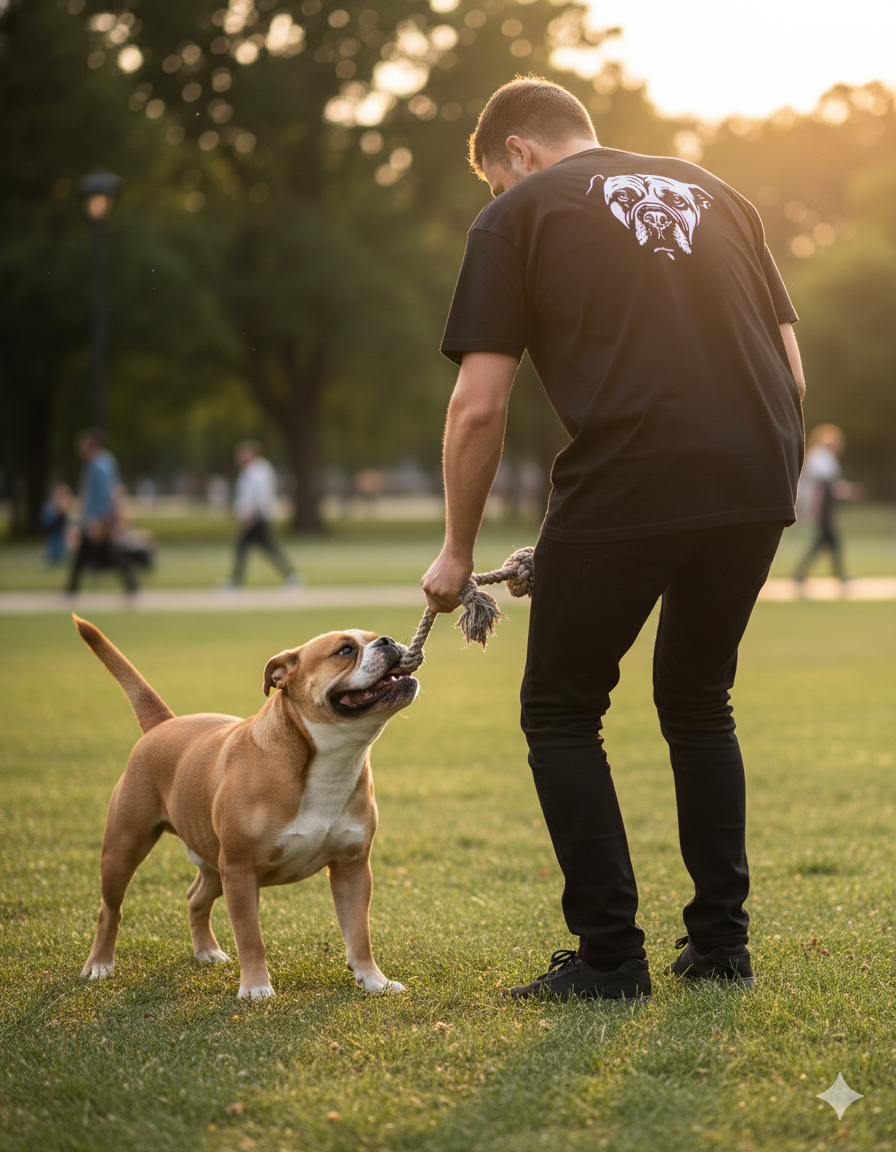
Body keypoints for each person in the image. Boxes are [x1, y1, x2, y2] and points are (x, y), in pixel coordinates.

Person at [421, 79, 805, 1001]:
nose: (494, 197)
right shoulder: (722, 193)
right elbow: (793, 371)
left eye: (491, 180)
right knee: (699, 699)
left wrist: (456, 554)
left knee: (560, 709)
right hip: (758, 474)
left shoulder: (516, 215)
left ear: (516, 153)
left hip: (631, 472)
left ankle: (609, 960)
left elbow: (478, 406)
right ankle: (720, 949)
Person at [66, 430, 138, 595]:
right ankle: (72, 585)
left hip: (98, 517)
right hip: (97, 516)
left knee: (107, 550)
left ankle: (72, 586)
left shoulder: (99, 466)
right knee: (96, 549)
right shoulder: (104, 462)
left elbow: (106, 493)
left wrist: (104, 518)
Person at [792, 423, 860, 587]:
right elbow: (821, 485)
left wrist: (847, 491)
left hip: (826, 503)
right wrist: (814, 507)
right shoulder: (818, 456)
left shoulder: (827, 458)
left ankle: (801, 574)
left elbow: (831, 484)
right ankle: (838, 574)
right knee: (830, 539)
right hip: (821, 504)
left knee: (824, 539)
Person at [225, 440, 299, 589]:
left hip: (256, 516)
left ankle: (235, 582)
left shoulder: (258, 470)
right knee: (264, 548)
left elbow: (258, 495)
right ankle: (291, 576)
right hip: (255, 516)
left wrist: (250, 515)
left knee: (245, 548)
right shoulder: (252, 470)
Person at [41, 483, 73, 565]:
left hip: (66, 539)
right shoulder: (50, 508)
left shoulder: (70, 508)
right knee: (56, 556)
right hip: (55, 539)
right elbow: (47, 523)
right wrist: (57, 512)